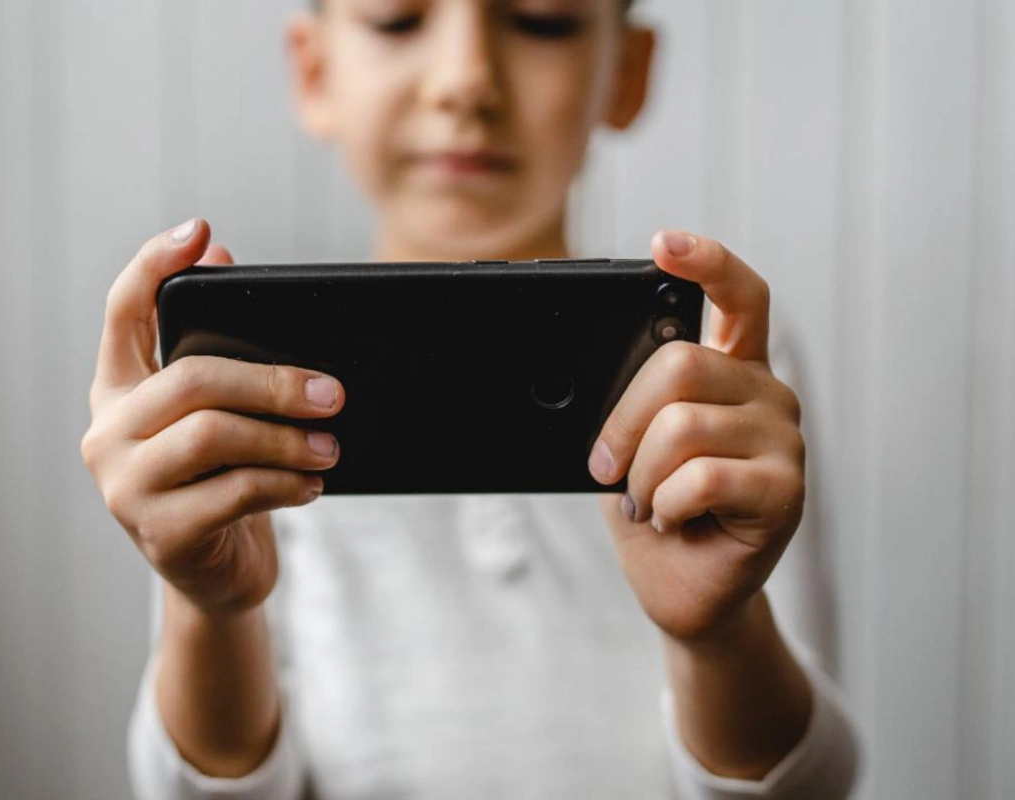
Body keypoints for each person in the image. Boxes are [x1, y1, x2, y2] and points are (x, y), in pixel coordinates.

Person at [80, 0, 860, 797]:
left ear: (628, 72)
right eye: (395, 20)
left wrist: (721, 633)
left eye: (542, 20)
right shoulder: (238, 393)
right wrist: (210, 608)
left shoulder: (715, 376)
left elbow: (811, 785)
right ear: (314, 70)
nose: (466, 81)